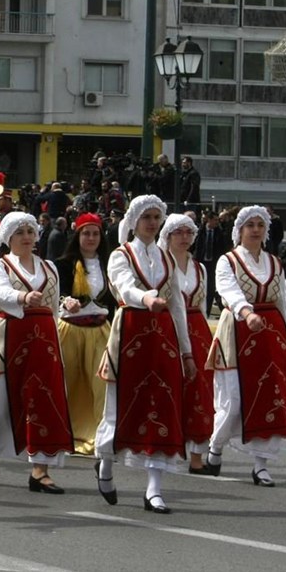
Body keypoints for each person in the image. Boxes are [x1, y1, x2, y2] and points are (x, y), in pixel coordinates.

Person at [93, 195, 196, 515]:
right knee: (119, 407)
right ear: (134, 221)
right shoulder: (119, 255)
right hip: (130, 336)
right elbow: (123, 288)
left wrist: (187, 352)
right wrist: (146, 297)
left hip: (162, 340)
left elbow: (177, 305)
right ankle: (106, 464)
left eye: (156, 217)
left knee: (163, 408)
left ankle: (154, 489)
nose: (152, 223)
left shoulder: (166, 258)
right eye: (147, 217)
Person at [0, 212, 74, 494]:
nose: (27, 236)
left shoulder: (49, 266)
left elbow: (51, 307)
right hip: (8, 339)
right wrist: (21, 297)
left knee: (44, 399)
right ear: (8, 239)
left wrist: (68, 307)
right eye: (20, 233)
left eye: (30, 231)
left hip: (43, 341)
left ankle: (40, 469)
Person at [204, 206, 286, 487]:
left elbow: (281, 300)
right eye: (250, 225)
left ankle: (260, 464)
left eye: (260, 225)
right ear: (240, 230)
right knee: (234, 401)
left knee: (269, 397)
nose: (256, 229)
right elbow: (228, 292)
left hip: (270, 335)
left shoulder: (275, 263)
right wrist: (246, 312)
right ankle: (216, 446)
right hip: (238, 333)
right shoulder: (227, 261)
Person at [158, 214, 215, 474]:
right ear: (168, 236)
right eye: (178, 232)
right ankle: (166, 446)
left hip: (198, 331)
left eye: (188, 233)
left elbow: (202, 307)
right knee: (169, 389)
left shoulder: (200, 268)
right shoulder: (158, 265)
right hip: (167, 329)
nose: (184, 238)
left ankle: (196, 455)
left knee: (200, 392)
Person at [54, 213, 114, 456]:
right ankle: (62, 432)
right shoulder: (63, 264)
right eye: (86, 233)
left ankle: (99, 435)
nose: (91, 238)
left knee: (101, 385)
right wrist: (66, 301)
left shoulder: (109, 264)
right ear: (77, 235)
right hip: (71, 329)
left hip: (100, 329)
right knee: (66, 381)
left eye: (95, 233)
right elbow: (56, 293)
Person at [194, 211, 229, 317]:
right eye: (214, 220)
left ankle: (207, 312)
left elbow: (223, 248)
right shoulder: (200, 231)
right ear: (208, 220)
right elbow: (195, 246)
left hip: (213, 264)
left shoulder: (219, 233)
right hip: (201, 263)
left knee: (211, 288)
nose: (217, 222)